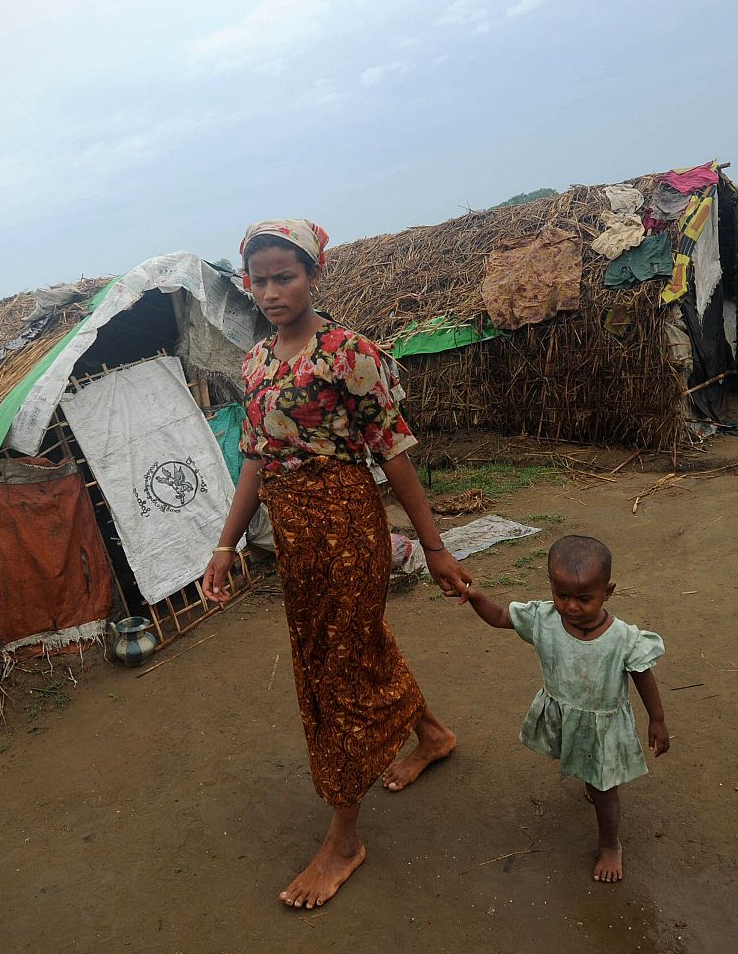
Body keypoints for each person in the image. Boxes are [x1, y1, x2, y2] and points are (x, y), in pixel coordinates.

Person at [202, 218, 472, 910]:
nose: (270, 291)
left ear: (314, 275)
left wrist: (435, 547)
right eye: (258, 278)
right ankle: (433, 733)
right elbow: (255, 461)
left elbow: (394, 453)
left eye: (284, 276)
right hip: (293, 532)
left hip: (348, 523)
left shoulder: (351, 353)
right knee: (351, 646)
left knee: (337, 670)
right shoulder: (257, 363)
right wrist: (226, 544)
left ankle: (345, 836)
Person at [461, 535, 669, 883]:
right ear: (551, 588)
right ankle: (591, 782)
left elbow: (643, 677)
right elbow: (500, 617)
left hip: (603, 726)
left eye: (584, 598)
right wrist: (475, 596)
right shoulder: (544, 619)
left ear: (608, 591)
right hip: (567, 713)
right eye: (562, 595)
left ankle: (609, 845)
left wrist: (658, 720)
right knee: (585, 766)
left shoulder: (623, 639)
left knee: (605, 792)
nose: (572, 606)